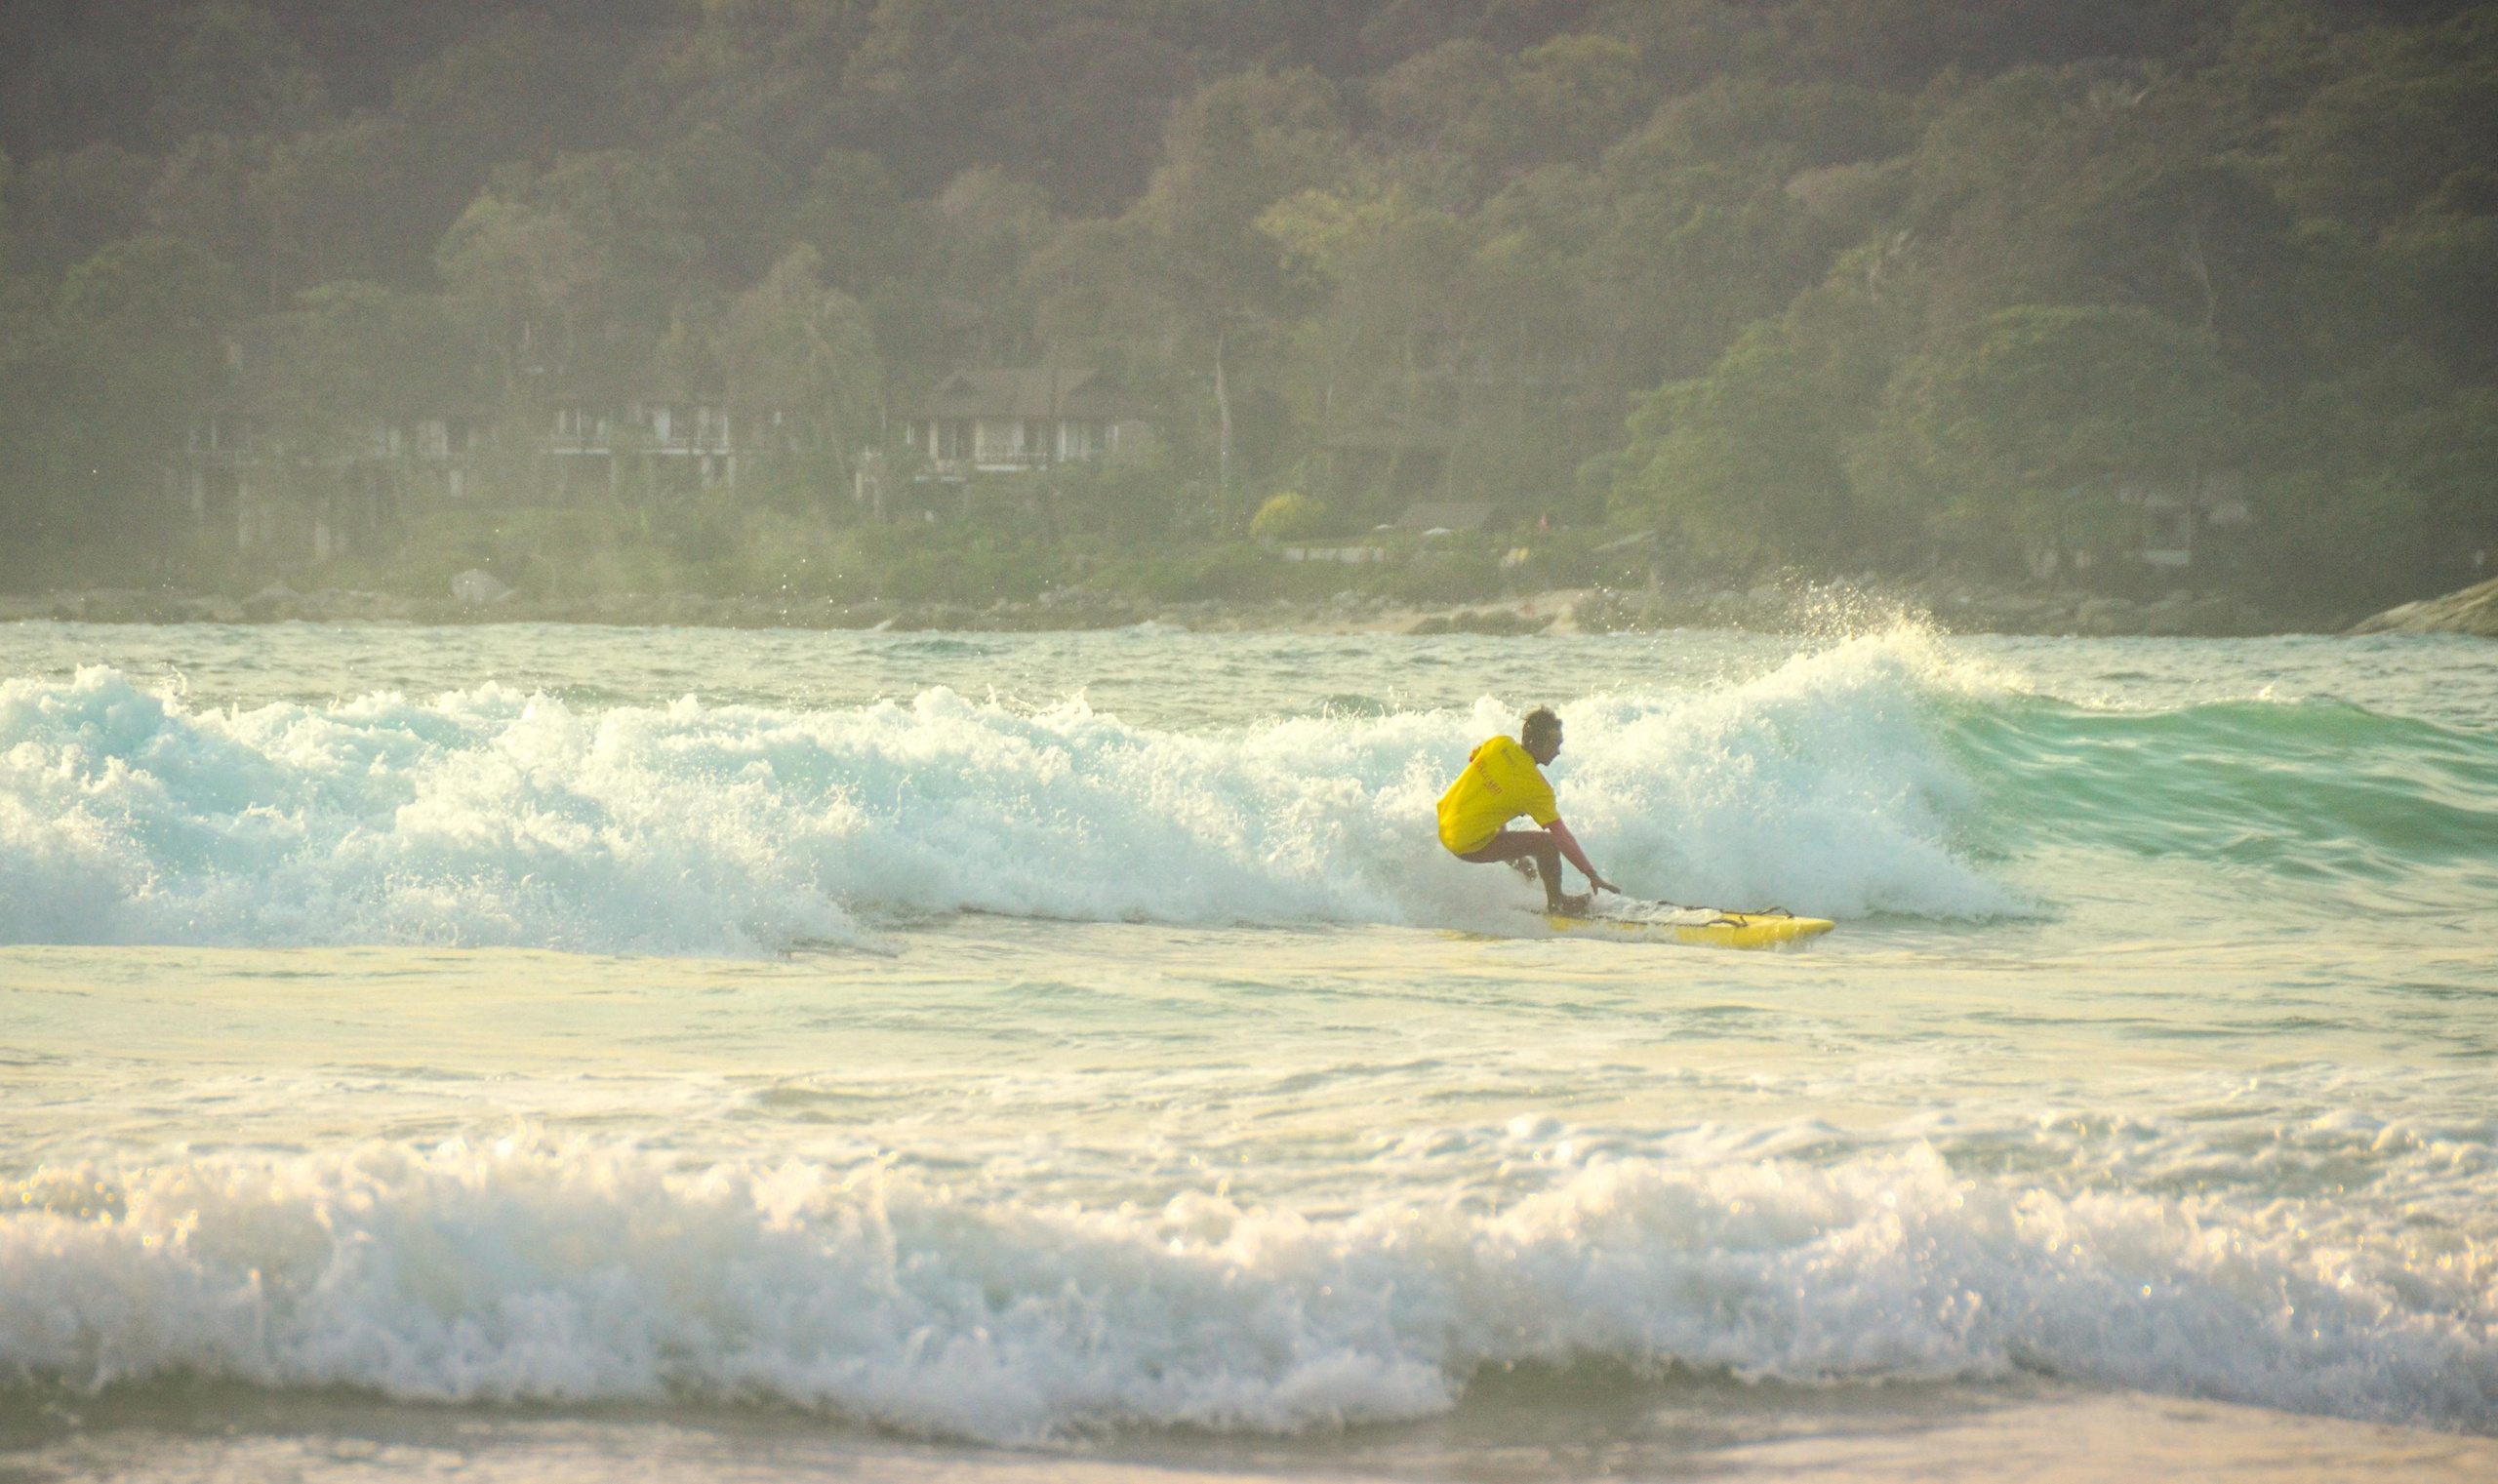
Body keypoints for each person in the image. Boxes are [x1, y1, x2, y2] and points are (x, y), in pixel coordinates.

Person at [1436, 706, 1618, 915]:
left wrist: (1496, 795)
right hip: (1467, 845)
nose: (1558, 751)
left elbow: (1473, 758)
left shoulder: (1500, 743)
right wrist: (1591, 873)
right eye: (1554, 745)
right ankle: (1557, 903)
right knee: (1547, 844)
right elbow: (1561, 836)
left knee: (1521, 856)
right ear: (1533, 743)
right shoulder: (1537, 788)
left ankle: (1528, 879)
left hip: (1446, 823)